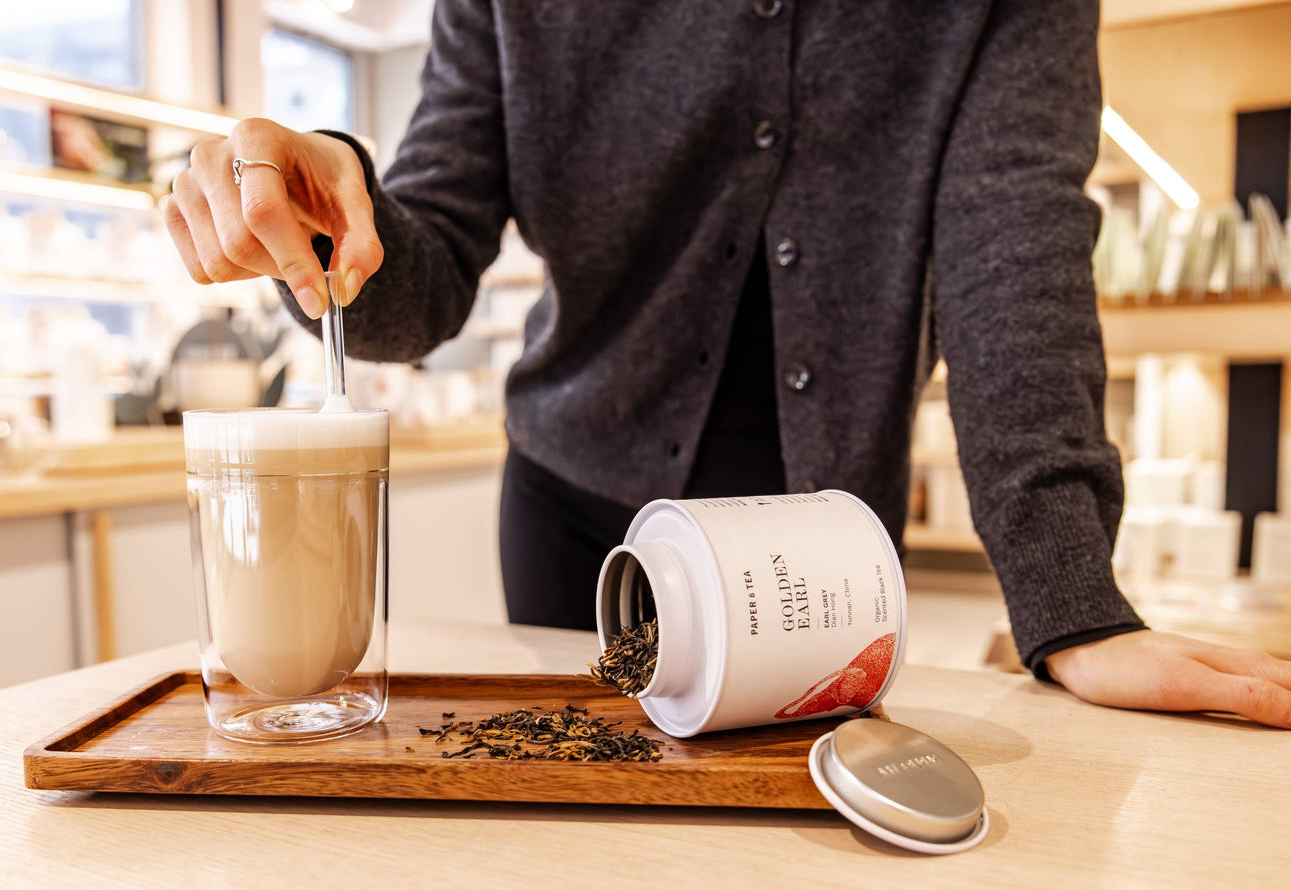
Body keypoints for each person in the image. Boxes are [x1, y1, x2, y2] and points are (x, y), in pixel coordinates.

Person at [164, 0, 1291, 728]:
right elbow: (430, 269)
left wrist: (1071, 602)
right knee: (591, 860)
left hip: (823, 547)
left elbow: (1016, 241)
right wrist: (328, 220)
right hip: (580, 535)